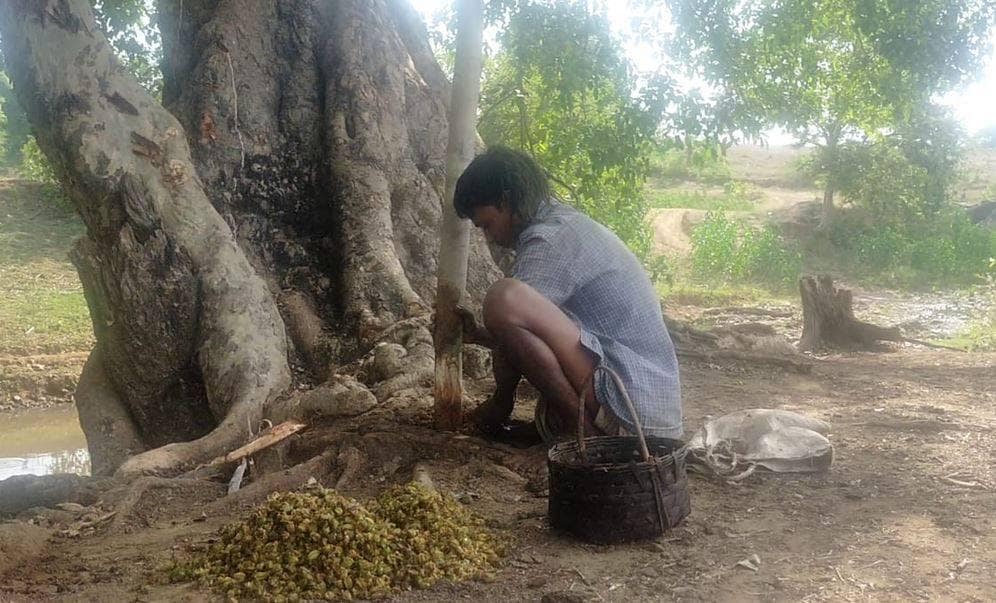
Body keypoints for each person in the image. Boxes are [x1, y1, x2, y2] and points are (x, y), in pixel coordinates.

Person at [453, 146, 682, 442]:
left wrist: (500, 403)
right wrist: (479, 335)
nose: (490, 237)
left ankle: (584, 434)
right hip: (647, 406)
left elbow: (512, 325)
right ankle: (577, 428)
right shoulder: (564, 223)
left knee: (504, 298)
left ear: (506, 201)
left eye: (487, 224)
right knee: (509, 305)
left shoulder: (549, 239)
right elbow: (525, 336)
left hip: (632, 409)